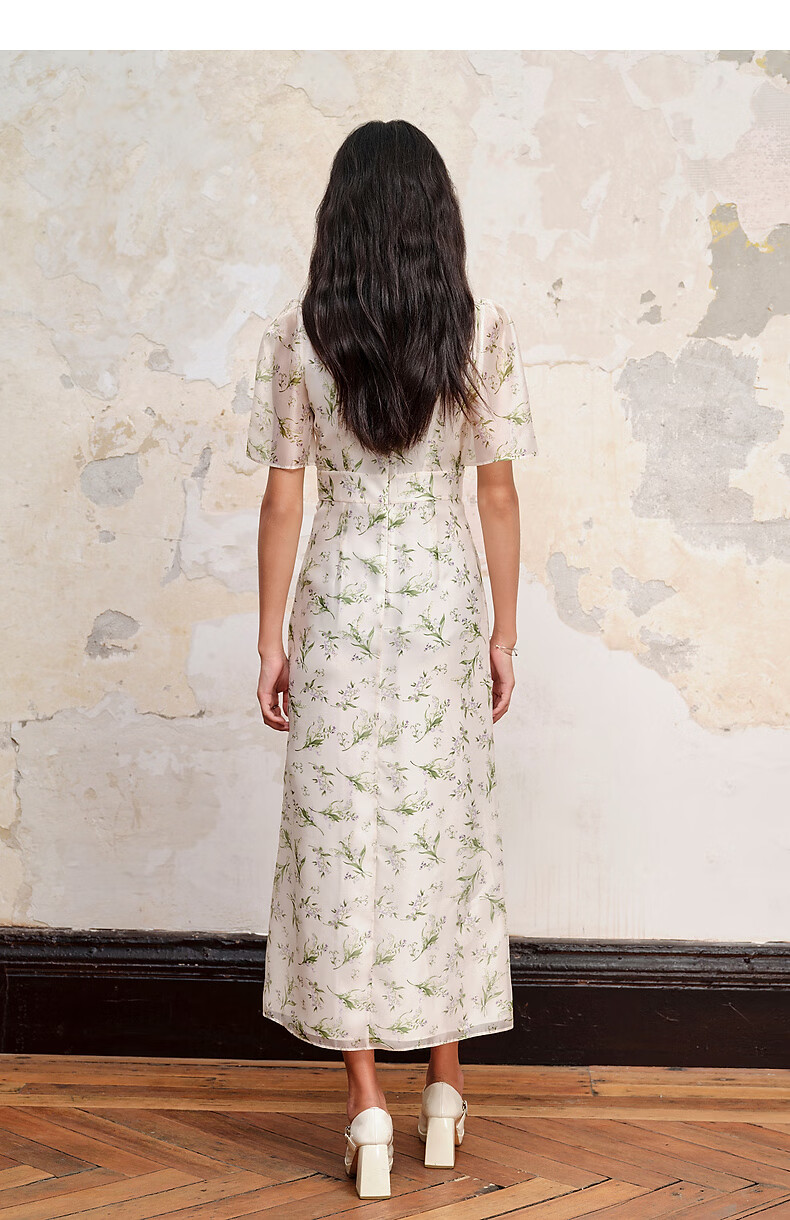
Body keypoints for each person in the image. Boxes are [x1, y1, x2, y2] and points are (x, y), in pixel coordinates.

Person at [246, 119, 537, 1200]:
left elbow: (284, 497)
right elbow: (496, 492)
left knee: (342, 843)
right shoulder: (481, 329)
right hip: (441, 601)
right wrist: (504, 632)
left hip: (339, 600)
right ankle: (445, 1090)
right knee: (440, 831)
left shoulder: (297, 334)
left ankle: (367, 1104)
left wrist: (269, 637)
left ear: (341, 215)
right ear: (434, 215)